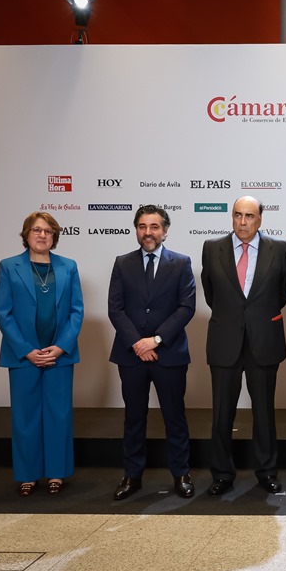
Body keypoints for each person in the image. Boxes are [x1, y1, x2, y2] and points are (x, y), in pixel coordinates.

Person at [201, 196, 286, 496]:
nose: (243, 222)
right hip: (224, 340)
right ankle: (222, 475)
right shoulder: (211, 248)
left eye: (249, 216)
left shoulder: (279, 250)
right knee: (221, 414)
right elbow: (210, 293)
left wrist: (254, 318)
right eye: (238, 215)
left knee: (264, 413)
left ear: (260, 219)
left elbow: (282, 292)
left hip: (263, 341)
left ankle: (266, 472)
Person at [107, 205, 197, 501]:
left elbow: (186, 308)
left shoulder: (181, 263)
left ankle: (181, 474)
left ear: (165, 230)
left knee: (175, 416)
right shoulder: (122, 263)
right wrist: (137, 343)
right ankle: (132, 475)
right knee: (134, 417)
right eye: (143, 226)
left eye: (154, 226)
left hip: (168, 353)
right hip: (131, 354)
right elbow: (115, 309)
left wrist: (155, 340)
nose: (148, 232)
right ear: (136, 230)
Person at [0, 212, 84, 496]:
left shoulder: (68, 267)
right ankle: (28, 475)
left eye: (48, 231)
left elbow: (76, 312)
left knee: (58, 415)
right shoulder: (9, 267)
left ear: (54, 236)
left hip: (60, 354)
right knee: (25, 417)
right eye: (36, 230)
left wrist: (60, 347)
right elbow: (3, 313)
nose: (42, 235)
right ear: (26, 234)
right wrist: (27, 351)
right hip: (23, 355)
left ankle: (57, 473)